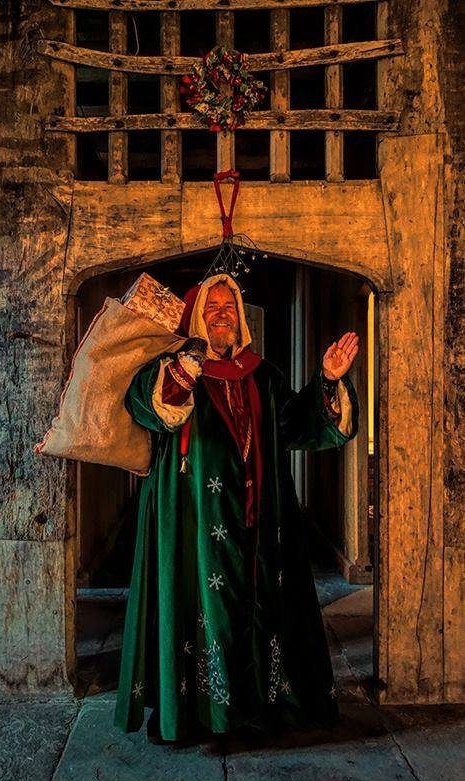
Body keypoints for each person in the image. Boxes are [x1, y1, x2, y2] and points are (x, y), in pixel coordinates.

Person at [114, 273, 359, 743]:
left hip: (259, 518)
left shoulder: (262, 376)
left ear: (241, 319)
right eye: (213, 307)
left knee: (259, 609)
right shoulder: (175, 367)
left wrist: (326, 379)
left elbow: (298, 424)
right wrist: (181, 374)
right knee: (201, 608)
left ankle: (254, 710)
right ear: (197, 317)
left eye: (230, 306)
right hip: (193, 519)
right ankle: (198, 715)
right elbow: (144, 405)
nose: (222, 314)